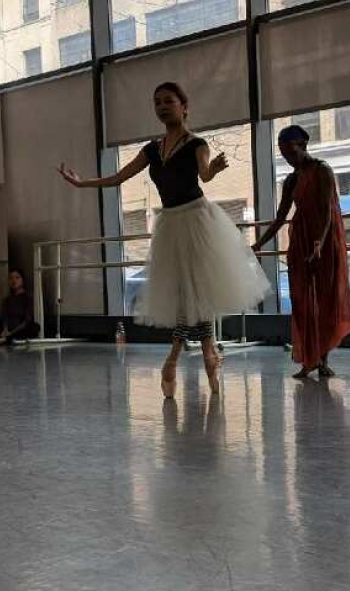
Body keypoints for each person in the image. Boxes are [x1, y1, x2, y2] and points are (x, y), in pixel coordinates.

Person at [59, 82, 269, 396]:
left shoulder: (196, 144)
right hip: (171, 223)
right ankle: (206, 354)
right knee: (187, 295)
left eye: (168, 101)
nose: (162, 107)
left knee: (195, 293)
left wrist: (213, 169)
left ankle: (179, 358)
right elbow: (118, 177)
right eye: (157, 102)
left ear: (184, 106)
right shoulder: (151, 150)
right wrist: (82, 184)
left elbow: (204, 175)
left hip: (197, 220)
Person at [252, 125, 350, 379]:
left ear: (303, 145)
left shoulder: (322, 170)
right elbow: (280, 217)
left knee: (325, 299)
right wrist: (258, 244)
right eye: (283, 154)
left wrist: (319, 243)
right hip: (301, 240)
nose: (288, 158)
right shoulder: (291, 180)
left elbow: (328, 210)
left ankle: (323, 359)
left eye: (291, 151)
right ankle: (309, 360)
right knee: (302, 301)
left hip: (325, 240)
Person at [0, 268, 41, 345]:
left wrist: (11, 333)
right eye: (11, 278)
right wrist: (5, 330)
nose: (14, 280)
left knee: (35, 327)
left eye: (17, 278)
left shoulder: (27, 298)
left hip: (19, 330)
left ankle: (4, 340)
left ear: (23, 280)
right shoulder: (7, 300)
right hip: (5, 329)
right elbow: (4, 317)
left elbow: (26, 321)